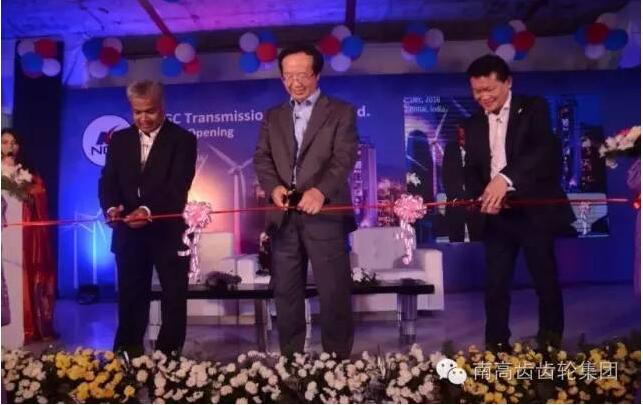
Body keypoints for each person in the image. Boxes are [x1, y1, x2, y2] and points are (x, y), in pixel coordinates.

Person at [463, 55, 575, 352]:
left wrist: (504, 179)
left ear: (508, 82)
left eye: (489, 89)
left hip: (534, 212)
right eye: (477, 91)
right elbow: (472, 168)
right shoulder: (473, 124)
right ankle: (495, 346)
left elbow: (541, 151)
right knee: (495, 285)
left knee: (545, 281)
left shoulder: (533, 108)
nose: (483, 97)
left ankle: (550, 345)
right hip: (497, 216)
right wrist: (482, 196)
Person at [253, 44, 358, 358]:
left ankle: (337, 363)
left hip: (324, 215)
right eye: (288, 76)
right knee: (286, 294)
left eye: (302, 75)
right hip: (283, 218)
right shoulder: (272, 116)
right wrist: (273, 187)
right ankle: (292, 362)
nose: (295, 82)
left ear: (317, 74)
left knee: (334, 292)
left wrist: (320, 191)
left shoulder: (341, 112)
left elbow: (343, 158)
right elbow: (262, 158)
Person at [98, 80, 197, 357]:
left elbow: (178, 186)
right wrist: (112, 208)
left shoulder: (183, 140)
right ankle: (128, 358)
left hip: (168, 233)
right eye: (137, 112)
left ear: (162, 106)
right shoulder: (119, 140)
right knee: (130, 298)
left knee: (174, 298)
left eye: (150, 111)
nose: (143, 118)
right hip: (128, 234)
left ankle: (169, 360)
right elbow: (108, 180)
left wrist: (147, 211)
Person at [1, 128, 56, 342]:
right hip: (3, 232)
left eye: (13, 142)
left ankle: (27, 324)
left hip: (23, 234)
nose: (9, 146)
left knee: (23, 277)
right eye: (4, 142)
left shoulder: (27, 173)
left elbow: (40, 195)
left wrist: (31, 193)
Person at [442, 123, 483, 242]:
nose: (462, 140)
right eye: (459, 137)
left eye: (464, 137)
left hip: (475, 204)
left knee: (478, 240)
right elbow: (446, 176)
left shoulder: (479, 150)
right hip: (455, 203)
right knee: (455, 240)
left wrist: (474, 199)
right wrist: (455, 198)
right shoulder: (450, 149)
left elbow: (482, 176)